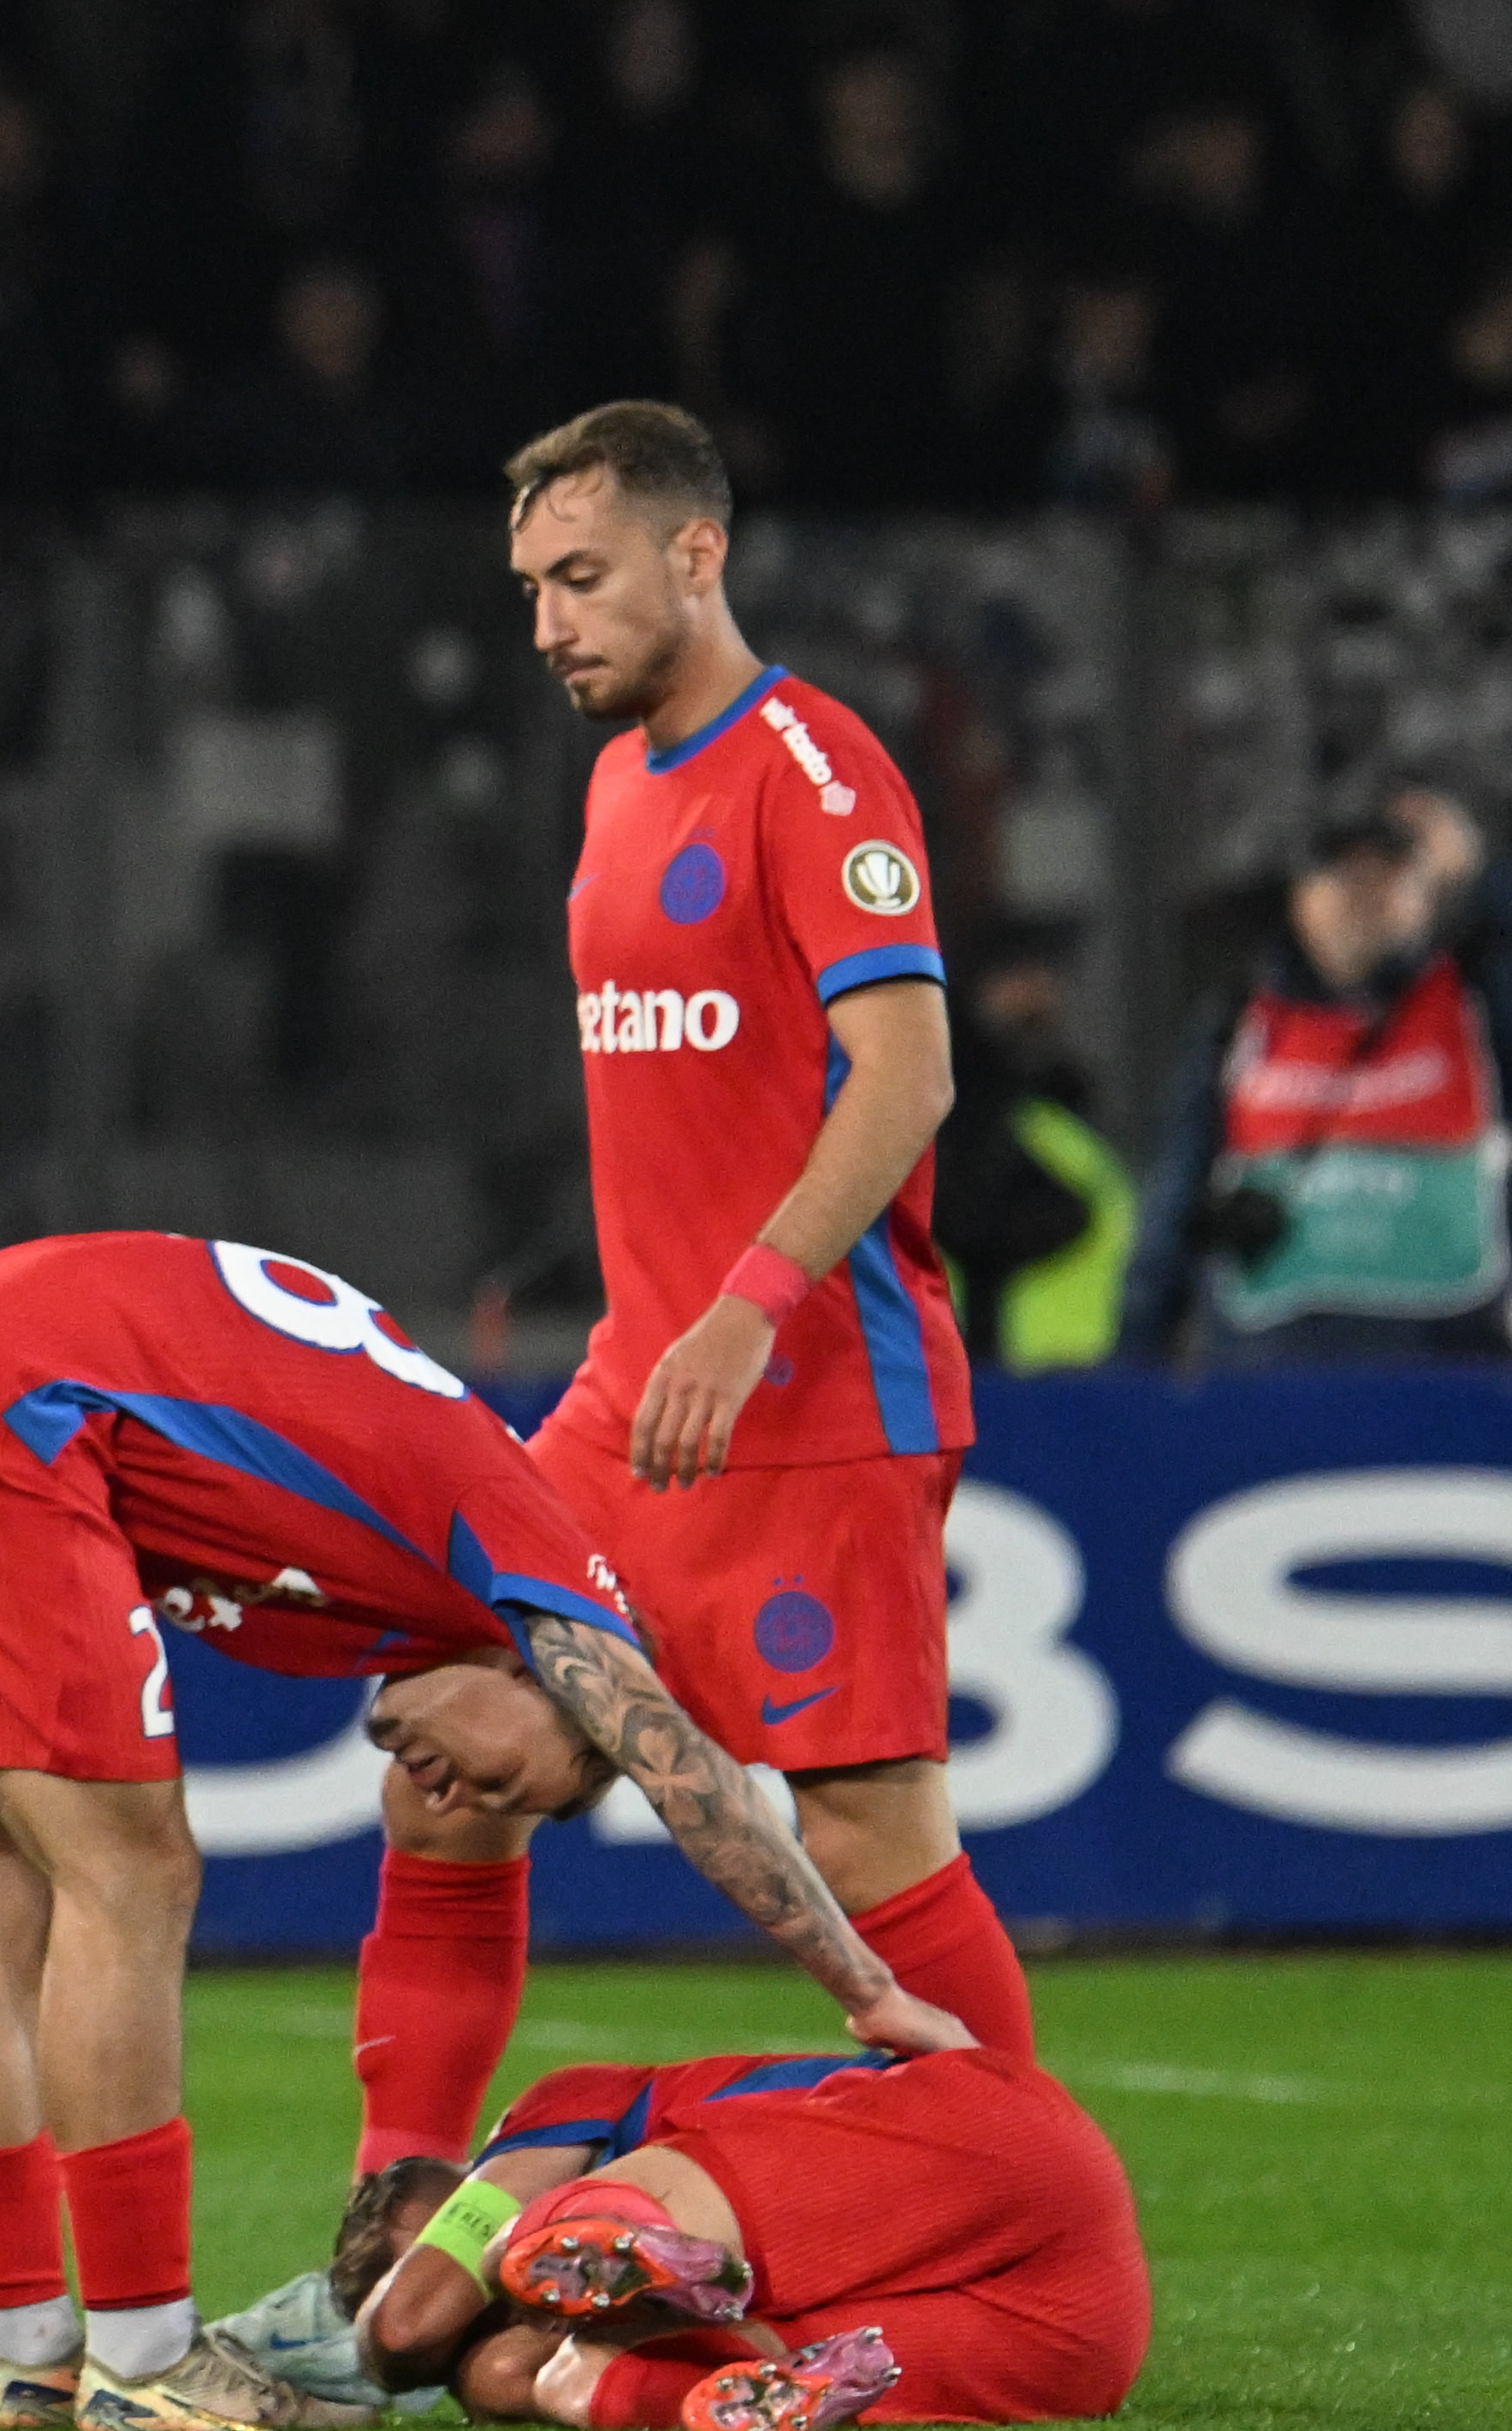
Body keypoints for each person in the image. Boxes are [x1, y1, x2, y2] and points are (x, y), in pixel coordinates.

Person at [0, 1229, 974, 2431]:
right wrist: (865, 1990)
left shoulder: (390, 1556)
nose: (461, 1801)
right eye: (519, 1784)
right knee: (130, 1870)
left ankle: (22, 2359)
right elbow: (680, 1764)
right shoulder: (535, 1551)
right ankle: (146, 2355)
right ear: (533, 1667)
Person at [495, 400, 1036, 2068]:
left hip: (808, 1387)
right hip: (628, 1393)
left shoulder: (815, 765)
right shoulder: (607, 786)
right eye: (529, 587)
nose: (547, 624)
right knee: (462, 1749)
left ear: (697, 551)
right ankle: (390, 2210)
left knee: (868, 1831)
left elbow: (910, 1072)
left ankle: (1033, 2220)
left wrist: (743, 1303)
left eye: (580, 577)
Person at [341, 2041, 1149, 2431]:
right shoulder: (542, 2343)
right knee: (567, 2379)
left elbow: (404, 2323)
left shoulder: (561, 2107)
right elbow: (491, 2360)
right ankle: (723, 2364)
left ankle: (629, 2240)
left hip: (985, 2143)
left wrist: (363, 2357)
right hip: (1072, 2336)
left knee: (533, 2260)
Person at [1119, 790, 1512, 1365]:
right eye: (1342, 877)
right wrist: (1131, 1369)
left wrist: (1482, 878)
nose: (1366, 897)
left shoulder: (1479, 1006)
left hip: (1454, 1377)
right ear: (1301, 898)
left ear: (1427, 899)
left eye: (1390, 877)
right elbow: (1174, 1200)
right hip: (1271, 1377)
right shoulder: (1238, 1025)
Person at [938, 916, 1135, 1369]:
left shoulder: (1053, 1091)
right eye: (1029, 974)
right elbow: (966, 1222)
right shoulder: (962, 1099)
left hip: (1082, 1363)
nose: (1047, 989)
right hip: (1006, 1362)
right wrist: (1062, 1216)